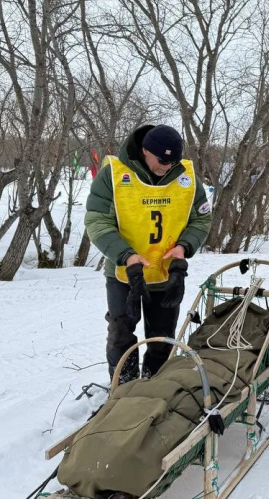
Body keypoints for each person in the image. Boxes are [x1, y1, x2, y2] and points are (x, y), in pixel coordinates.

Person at [85, 124, 212, 384]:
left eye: (172, 161)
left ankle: (153, 386)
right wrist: (126, 255)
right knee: (121, 332)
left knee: (162, 335)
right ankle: (123, 386)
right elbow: (97, 221)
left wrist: (184, 247)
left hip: (167, 271)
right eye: (161, 160)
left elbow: (201, 219)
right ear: (145, 151)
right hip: (125, 271)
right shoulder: (113, 173)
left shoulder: (186, 177)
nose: (167, 166)